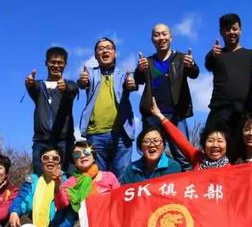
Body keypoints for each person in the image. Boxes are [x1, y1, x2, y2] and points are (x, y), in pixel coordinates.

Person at [135, 23, 200, 171]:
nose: (161, 38)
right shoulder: (148, 62)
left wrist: (191, 66)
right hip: (152, 115)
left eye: (164, 34)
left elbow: (195, 74)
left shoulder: (181, 58)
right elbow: (137, 80)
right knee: (152, 157)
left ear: (171, 37)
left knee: (184, 156)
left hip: (177, 115)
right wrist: (140, 70)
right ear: (152, 39)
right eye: (157, 35)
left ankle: (189, 189)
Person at [55, 141, 120, 227]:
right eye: (77, 154)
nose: (83, 156)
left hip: (109, 217)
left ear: (94, 156)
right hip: (86, 221)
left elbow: (118, 199)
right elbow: (62, 204)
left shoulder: (109, 177)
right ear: (73, 160)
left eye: (87, 152)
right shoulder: (71, 182)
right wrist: (57, 186)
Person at [78, 38, 137, 179]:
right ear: (96, 55)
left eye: (109, 47)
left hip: (122, 134)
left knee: (122, 178)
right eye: (100, 48)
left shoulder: (124, 74)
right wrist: (82, 81)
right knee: (98, 179)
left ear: (115, 53)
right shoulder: (90, 73)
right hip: (96, 135)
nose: (105, 50)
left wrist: (131, 84)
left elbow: (132, 84)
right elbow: (82, 82)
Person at [204, 13, 252, 133]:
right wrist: (213, 55)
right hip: (219, 111)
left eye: (234, 28)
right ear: (221, 32)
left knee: (245, 149)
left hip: (246, 112)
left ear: (240, 30)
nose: (231, 32)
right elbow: (208, 65)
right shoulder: (215, 54)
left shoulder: (251, 54)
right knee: (214, 145)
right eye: (227, 29)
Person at [25, 46, 78, 175]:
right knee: (39, 179)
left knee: (68, 178)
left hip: (64, 141)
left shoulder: (70, 84)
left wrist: (65, 88)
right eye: (52, 62)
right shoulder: (38, 86)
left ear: (65, 64)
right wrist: (29, 83)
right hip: (40, 141)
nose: (56, 65)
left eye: (60, 63)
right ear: (46, 63)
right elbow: (31, 88)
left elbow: (72, 91)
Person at [150, 98, 230, 170]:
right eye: (210, 140)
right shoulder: (198, 158)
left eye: (220, 141)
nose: (215, 145)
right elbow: (180, 140)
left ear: (227, 145)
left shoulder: (232, 170)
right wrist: (160, 116)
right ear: (204, 144)